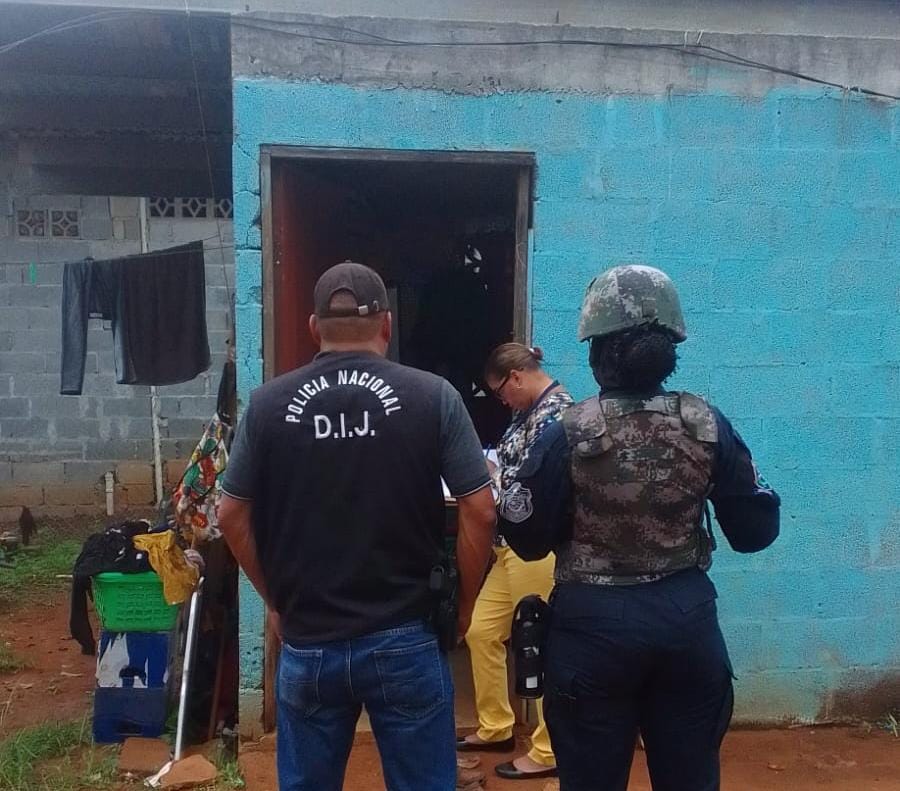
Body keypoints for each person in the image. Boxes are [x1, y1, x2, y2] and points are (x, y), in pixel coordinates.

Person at [495, 265, 781, 791]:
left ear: (597, 352)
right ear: (671, 347)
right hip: (685, 623)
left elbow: (527, 540)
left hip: (591, 630)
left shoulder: (568, 431)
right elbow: (755, 531)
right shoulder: (706, 423)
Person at [218, 262, 497, 791]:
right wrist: (464, 606)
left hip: (309, 637)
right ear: (387, 324)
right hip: (406, 635)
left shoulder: (267, 404)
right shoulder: (433, 396)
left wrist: (275, 599)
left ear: (313, 327)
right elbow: (480, 509)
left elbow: (230, 513)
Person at [457, 343, 572, 782]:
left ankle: (548, 748)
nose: (502, 401)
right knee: (481, 631)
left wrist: (490, 480)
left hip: (536, 549)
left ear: (517, 377)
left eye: (501, 391)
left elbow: (535, 487)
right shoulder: (528, 414)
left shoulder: (557, 416)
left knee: (537, 645)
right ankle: (496, 726)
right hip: (510, 548)